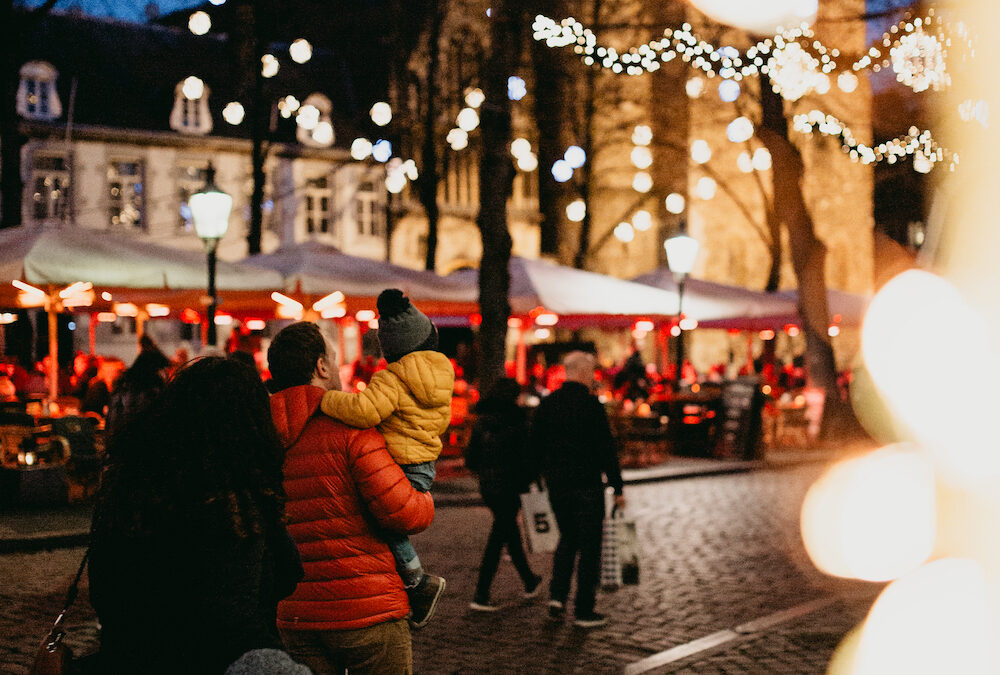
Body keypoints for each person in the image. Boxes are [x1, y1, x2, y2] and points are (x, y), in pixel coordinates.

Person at [88, 357, 303, 674]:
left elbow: (102, 592)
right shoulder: (231, 504)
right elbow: (246, 615)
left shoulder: (127, 488)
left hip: (126, 657)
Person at [267, 321, 435, 674]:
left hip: (295, 614)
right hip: (366, 611)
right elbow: (404, 513)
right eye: (333, 356)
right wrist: (423, 496)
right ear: (321, 367)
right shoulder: (350, 429)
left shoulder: (259, 437)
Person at [317, 289, 452, 627]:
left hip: (400, 464)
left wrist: (327, 400)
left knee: (377, 519)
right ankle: (407, 585)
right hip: (424, 464)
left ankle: (417, 580)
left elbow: (364, 410)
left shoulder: (392, 378)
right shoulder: (442, 375)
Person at [530, 351, 626, 628]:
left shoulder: (548, 405)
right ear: (584, 373)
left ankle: (557, 597)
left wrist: (536, 480)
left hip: (558, 485)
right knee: (589, 547)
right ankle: (584, 609)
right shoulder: (591, 405)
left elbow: (535, 445)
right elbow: (606, 449)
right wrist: (617, 486)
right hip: (587, 485)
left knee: (567, 539)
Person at [464, 377, 543, 611]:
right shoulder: (519, 422)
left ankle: (530, 580)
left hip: (489, 487)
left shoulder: (481, 422)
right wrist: (528, 481)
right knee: (499, 537)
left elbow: (471, 458)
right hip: (511, 487)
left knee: (508, 532)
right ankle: (481, 594)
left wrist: (483, 474)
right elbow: (529, 458)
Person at [104, 337, 171, 439]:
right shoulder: (150, 392)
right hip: (137, 442)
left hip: (118, 442)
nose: (165, 374)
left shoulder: (124, 385)